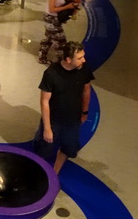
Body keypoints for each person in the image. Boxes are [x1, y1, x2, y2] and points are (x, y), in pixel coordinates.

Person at [35, 40, 94, 173]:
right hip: (54, 120)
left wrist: (84, 112)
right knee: (44, 149)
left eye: (83, 56)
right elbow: (44, 101)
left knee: (68, 148)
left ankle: (55, 172)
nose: (83, 60)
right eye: (79, 58)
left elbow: (86, 91)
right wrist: (47, 128)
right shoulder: (51, 73)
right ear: (68, 59)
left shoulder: (83, 69)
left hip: (73, 120)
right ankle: (40, 173)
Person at [38, 0, 78, 65]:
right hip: (51, 18)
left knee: (48, 39)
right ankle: (62, 64)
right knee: (61, 42)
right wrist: (67, 6)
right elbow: (52, 9)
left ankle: (42, 57)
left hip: (55, 18)